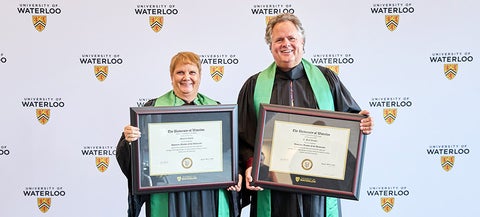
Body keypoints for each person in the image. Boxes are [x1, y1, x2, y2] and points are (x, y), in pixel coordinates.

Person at [236, 13, 374, 217]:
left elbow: (349, 119)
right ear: (270, 46)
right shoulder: (255, 85)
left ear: (302, 42)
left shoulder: (327, 79)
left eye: (291, 38)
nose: (286, 44)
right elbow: (244, 135)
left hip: (318, 187)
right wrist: (250, 166)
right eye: (279, 39)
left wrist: (362, 123)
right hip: (273, 188)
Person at [116, 51, 242, 217]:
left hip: (208, 191)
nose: (186, 77)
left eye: (192, 72)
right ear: (171, 76)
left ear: (200, 76)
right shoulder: (152, 110)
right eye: (180, 72)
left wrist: (235, 174)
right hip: (167, 192)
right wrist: (129, 140)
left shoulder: (217, 110)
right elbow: (131, 157)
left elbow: (230, 151)